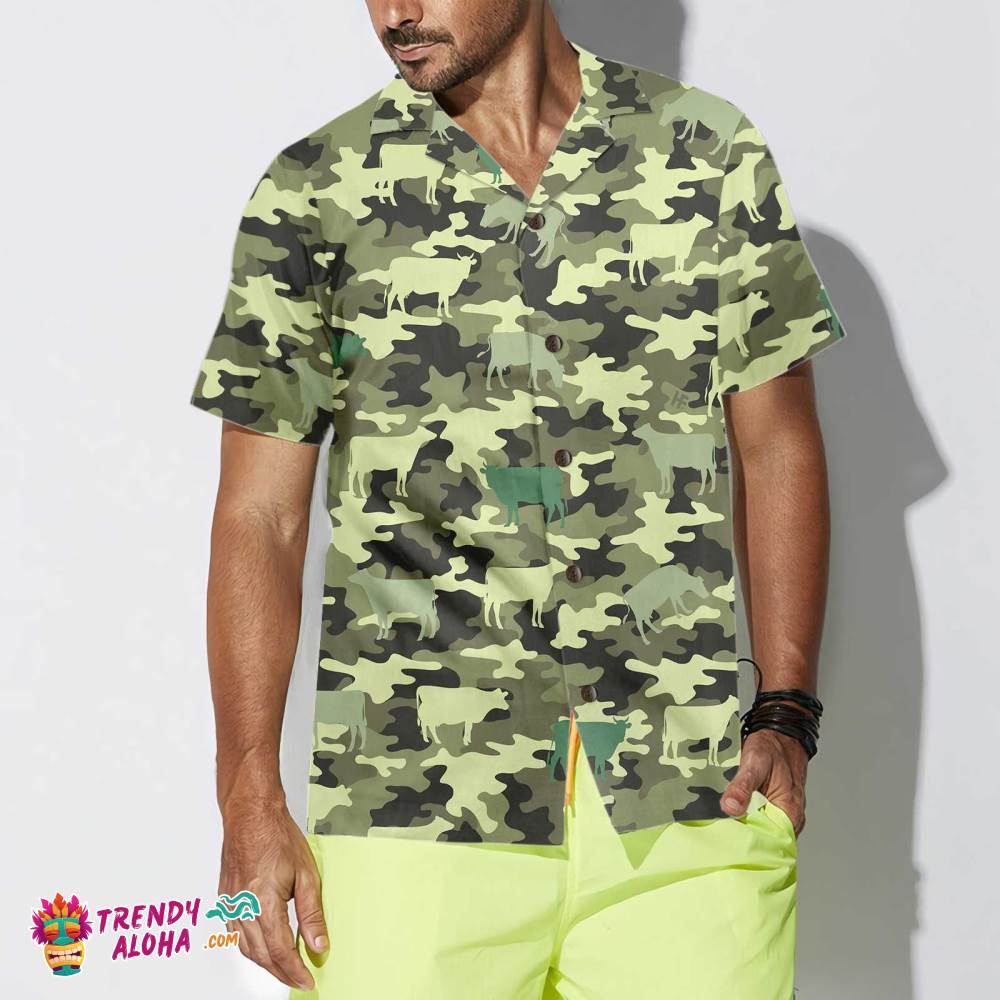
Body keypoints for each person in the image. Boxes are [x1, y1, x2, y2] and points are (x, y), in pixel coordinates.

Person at [189, 2, 845, 997]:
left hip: (688, 800)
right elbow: (259, 517)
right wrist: (247, 799)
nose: (395, 12)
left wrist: (787, 712)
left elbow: (779, 440)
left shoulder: (706, 152)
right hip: (409, 811)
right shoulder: (316, 190)